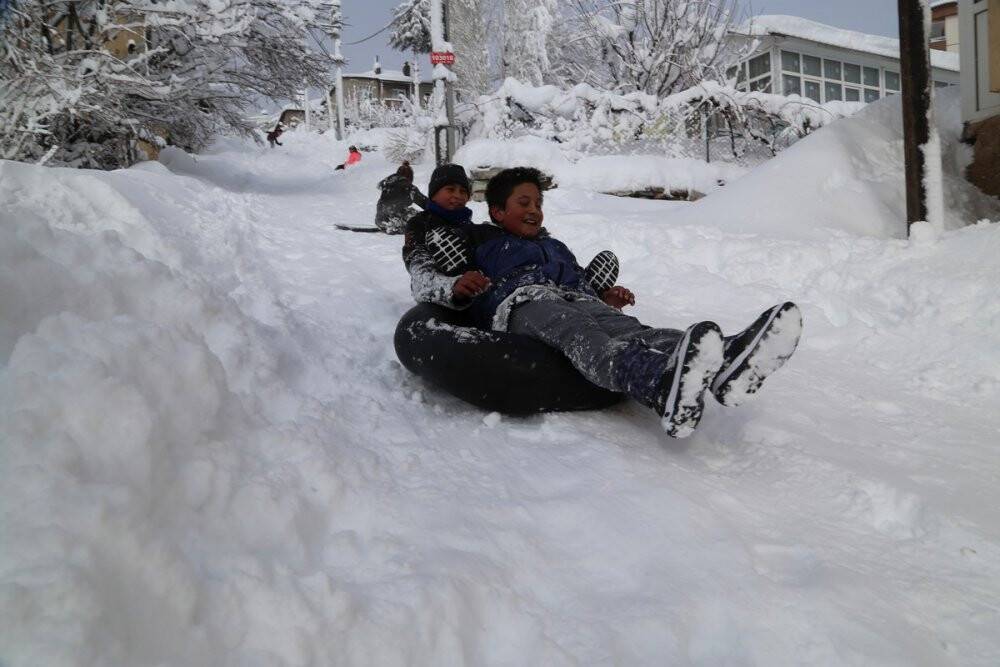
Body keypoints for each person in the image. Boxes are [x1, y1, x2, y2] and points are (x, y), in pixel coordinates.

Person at [461, 167, 802, 437]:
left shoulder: (556, 247)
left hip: (577, 298)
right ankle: (656, 381)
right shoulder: (484, 241)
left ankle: (723, 361)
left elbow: (577, 280)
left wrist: (603, 297)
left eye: (538, 204)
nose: (534, 211)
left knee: (634, 329)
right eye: (524, 203)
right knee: (581, 332)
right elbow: (455, 277)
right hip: (524, 303)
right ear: (497, 211)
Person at [401, 163, 494, 309]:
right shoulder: (419, 224)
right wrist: (453, 286)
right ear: (434, 194)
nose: (457, 195)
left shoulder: (473, 229)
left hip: (480, 302)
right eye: (450, 189)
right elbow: (420, 272)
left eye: (463, 191)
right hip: (441, 304)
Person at [375, 162, 428, 234]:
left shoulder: (387, 185)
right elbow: (425, 203)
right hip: (396, 223)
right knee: (421, 217)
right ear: (410, 176)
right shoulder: (409, 188)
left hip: (380, 221)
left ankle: (387, 224)